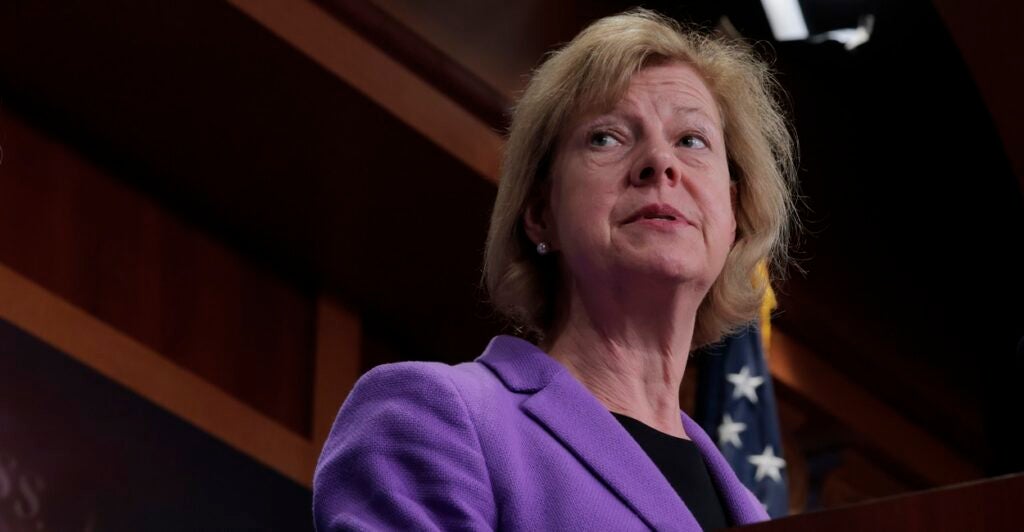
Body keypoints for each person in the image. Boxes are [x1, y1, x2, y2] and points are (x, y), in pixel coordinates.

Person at [313, 8, 797, 531]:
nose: (660, 161)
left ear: (732, 215)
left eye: (692, 140)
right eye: (606, 137)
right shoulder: (439, 418)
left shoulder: (757, 513)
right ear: (541, 214)